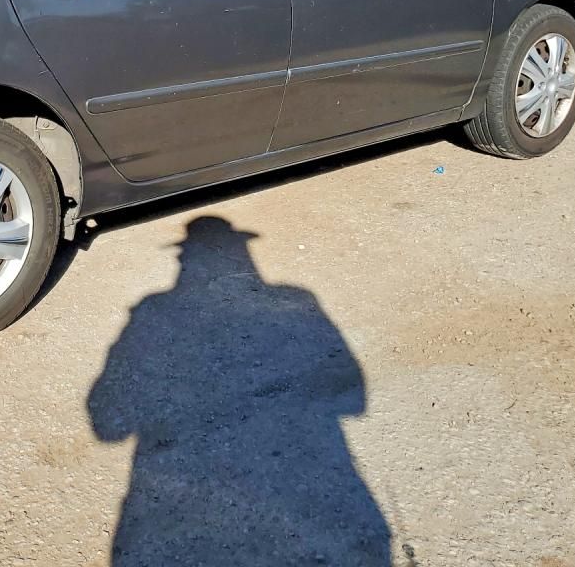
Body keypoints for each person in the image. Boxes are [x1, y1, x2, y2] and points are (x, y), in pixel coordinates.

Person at [88, 216, 391, 566]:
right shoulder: (297, 298)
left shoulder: (150, 310)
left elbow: (106, 427)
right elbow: (355, 399)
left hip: (179, 526)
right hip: (303, 513)